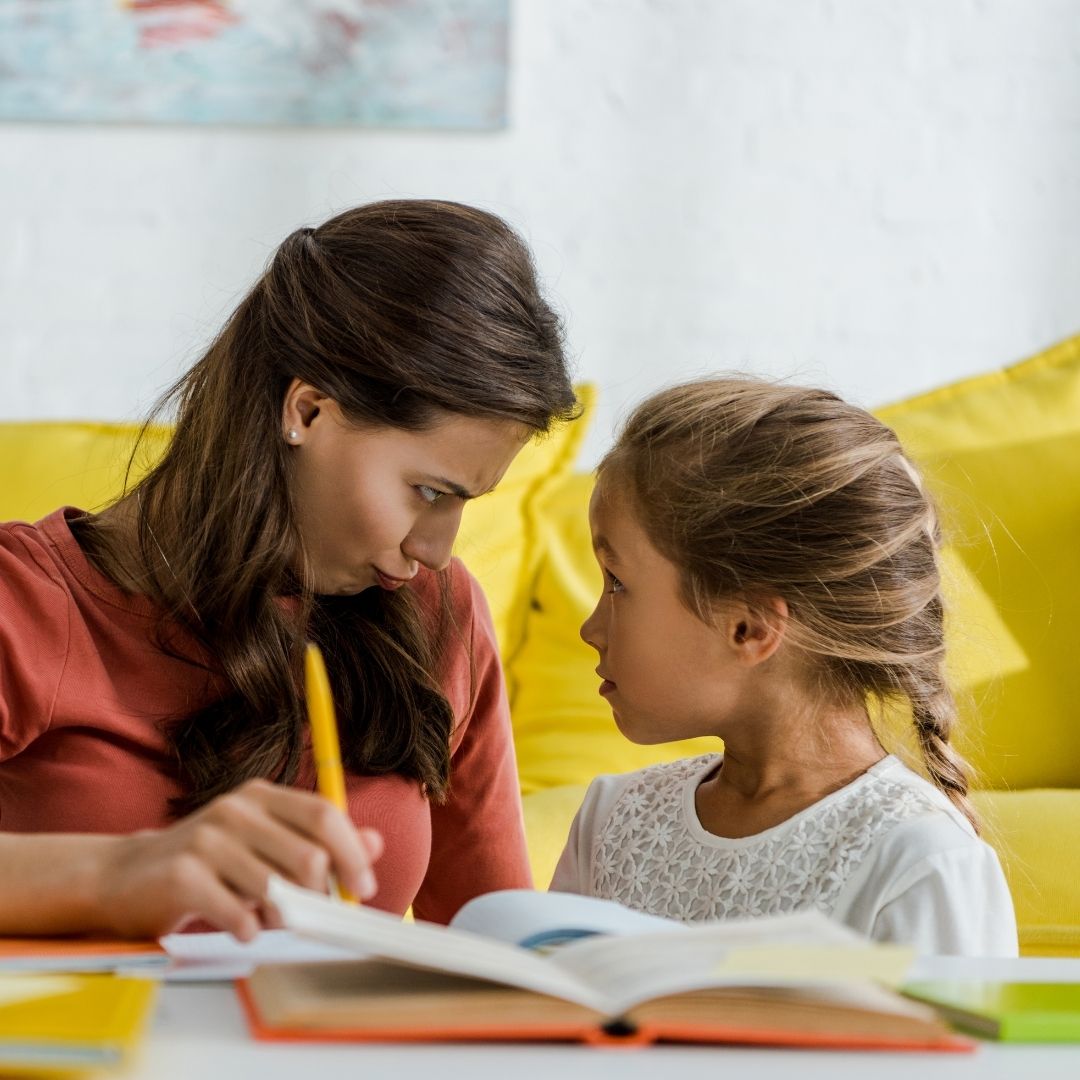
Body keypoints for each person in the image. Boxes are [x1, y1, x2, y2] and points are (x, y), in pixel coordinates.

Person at [0, 199, 577, 940]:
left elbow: (491, 945)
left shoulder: (440, 614)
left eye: (466, 502)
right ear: (306, 410)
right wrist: (115, 875)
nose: (435, 549)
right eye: (429, 492)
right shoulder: (24, 603)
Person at [551, 377, 1018, 956]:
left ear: (749, 628)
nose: (590, 629)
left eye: (617, 582)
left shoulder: (920, 863)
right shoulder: (611, 823)